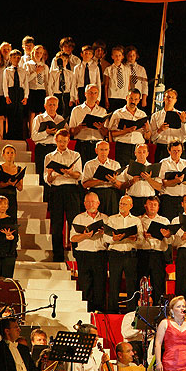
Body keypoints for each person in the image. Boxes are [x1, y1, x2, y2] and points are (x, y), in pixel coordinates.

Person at [44, 128, 82, 262]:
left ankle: (77, 254)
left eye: (65, 142)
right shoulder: (49, 157)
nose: (62, 144)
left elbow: (79, 175)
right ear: (55, 140)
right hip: (56, 190)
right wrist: (50, 174)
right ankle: (58, 256)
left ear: (68, 141)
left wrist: (69, 173)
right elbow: (47, 180)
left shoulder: (75, 155)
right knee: (57, 224)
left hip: (71, 190)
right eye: (60, 141)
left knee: (74, 222)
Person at [71, 192, 109, 312]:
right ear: (84, 204)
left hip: (100, 254)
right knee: (85, 285)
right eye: (88, 202)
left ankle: (100, 312)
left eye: (93, 201)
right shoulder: (79, 218)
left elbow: (112, 238)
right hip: (84, 254)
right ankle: (85, 311)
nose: (91, 204)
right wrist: (84, 235)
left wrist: (105, 233)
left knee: (100, 284)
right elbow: (72, 238)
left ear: (98, 203)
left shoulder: (105, 218)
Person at [104, 196, 143, 313]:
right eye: (120, 203)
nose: (121, 206)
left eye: (125, 204)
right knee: (114, 283)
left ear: (131, 206)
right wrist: (114, 239)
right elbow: (105, 237)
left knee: (131, 284)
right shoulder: (112, 219)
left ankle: (131, 311)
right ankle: (112, 311)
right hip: (115, 254)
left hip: (130, 255)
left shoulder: (136, 221)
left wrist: (134, 237)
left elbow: (141, 240)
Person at [137, 195, 171, 306]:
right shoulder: (139, 220)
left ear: (158, 207)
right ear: (145, 205)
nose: (152, 206)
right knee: (141, 283)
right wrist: (142, 236)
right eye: (150, 204)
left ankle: (158, 308)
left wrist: (166, 235)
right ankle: (140, 309)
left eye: (155, 204)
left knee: (158, 284)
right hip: (143, 254)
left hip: (158, 254)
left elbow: (171, 241)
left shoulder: (164, 220)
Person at [106, 88, 150, 167]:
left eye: (136, 99)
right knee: (122, 172)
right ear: (126, 98)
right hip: (123, 147)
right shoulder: (118, 113)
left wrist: (147, 130)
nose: (133, 101)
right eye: (131, 98)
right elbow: (110, 133)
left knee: (136, 172)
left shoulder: (142, 114)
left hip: (138, 148)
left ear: (139, 100)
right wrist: (126, 131)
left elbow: (147, 137)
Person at [116, 143, 162, 215]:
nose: (141, 154)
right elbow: (121, 186)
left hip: (149, 201)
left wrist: (149, 179)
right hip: (133, 200)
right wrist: (132, 181)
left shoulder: (153, 168)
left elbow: (159, 187)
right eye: (139, 152)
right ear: (135, 153)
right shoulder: (128, 168)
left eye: (144, 152)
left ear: (147, 154)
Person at [81, 139, 123, 217]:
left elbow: (121, 186)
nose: (103, 152)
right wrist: (100, 180)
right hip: (96, 193)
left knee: (111, 219)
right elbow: (85, 184)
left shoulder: (115, 164)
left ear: (109, 151)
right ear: (96, 151)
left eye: (106, 150)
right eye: (101, 150)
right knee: (97, 218)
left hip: (111, 194)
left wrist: (114, 181)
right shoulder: (89, 164)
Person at [69, 83, 108, 164]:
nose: (92, 95)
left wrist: (101, 127)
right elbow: (71, 132)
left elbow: (106, 133)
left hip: (97, 145)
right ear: (85, 94)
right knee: (82, 170)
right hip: (82, 145)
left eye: (95, 93)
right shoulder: (76, 110)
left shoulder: (102, 111)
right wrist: (79, 128)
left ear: (98, 95)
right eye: (90, 92)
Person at [30, 95, 63, 187]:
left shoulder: (60, 119)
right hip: (43, 148)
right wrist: (46, 132)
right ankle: (43, 198)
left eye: (54, 105)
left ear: (57, 106)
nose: (52, 107)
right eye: (49, 105)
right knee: (42, 174)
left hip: (56, 149)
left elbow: (66, 134)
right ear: (45, 106)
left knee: (56, 174)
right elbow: (34, 137)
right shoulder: (39, 118)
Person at [150, 88, 186, 161]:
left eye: (172, 97)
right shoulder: (156, 116)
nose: (170, 99)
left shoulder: (181, 115)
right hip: (162, 149)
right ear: (164, 98)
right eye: (168, 97)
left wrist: (183, 121)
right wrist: (160, 130)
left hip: (177, 149)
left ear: (175, 100)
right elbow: (152, 138)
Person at [159, 140, 186, 221]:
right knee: (169, 223)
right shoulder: (164, 163)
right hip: (169, 199)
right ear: (169, 151)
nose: (176, 153)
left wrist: (182, 181)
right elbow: (162, 182)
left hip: (184, 200)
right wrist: (175, 181)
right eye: (174, 151)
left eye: (179, 151)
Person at [0, 144, 24, 221]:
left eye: (12, 153)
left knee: (11, 221)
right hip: (0, 196)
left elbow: (20, 188)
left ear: (15, 154)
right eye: (8, 153)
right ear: (3, 155)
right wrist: (8, 183)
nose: (10, 155)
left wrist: (15, 184)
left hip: (12, 197)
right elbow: (0, 184)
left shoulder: (19, 169)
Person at [103, 45, 130, 112]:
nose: (117, 57)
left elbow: (128, 86)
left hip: (123, 97)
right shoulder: (108, 69)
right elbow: (106, 85)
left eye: (119, 55)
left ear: (122, 57)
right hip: (112, 97)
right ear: (112, 57)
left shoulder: (127, 70)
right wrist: (106, 100)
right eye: (116, 55)